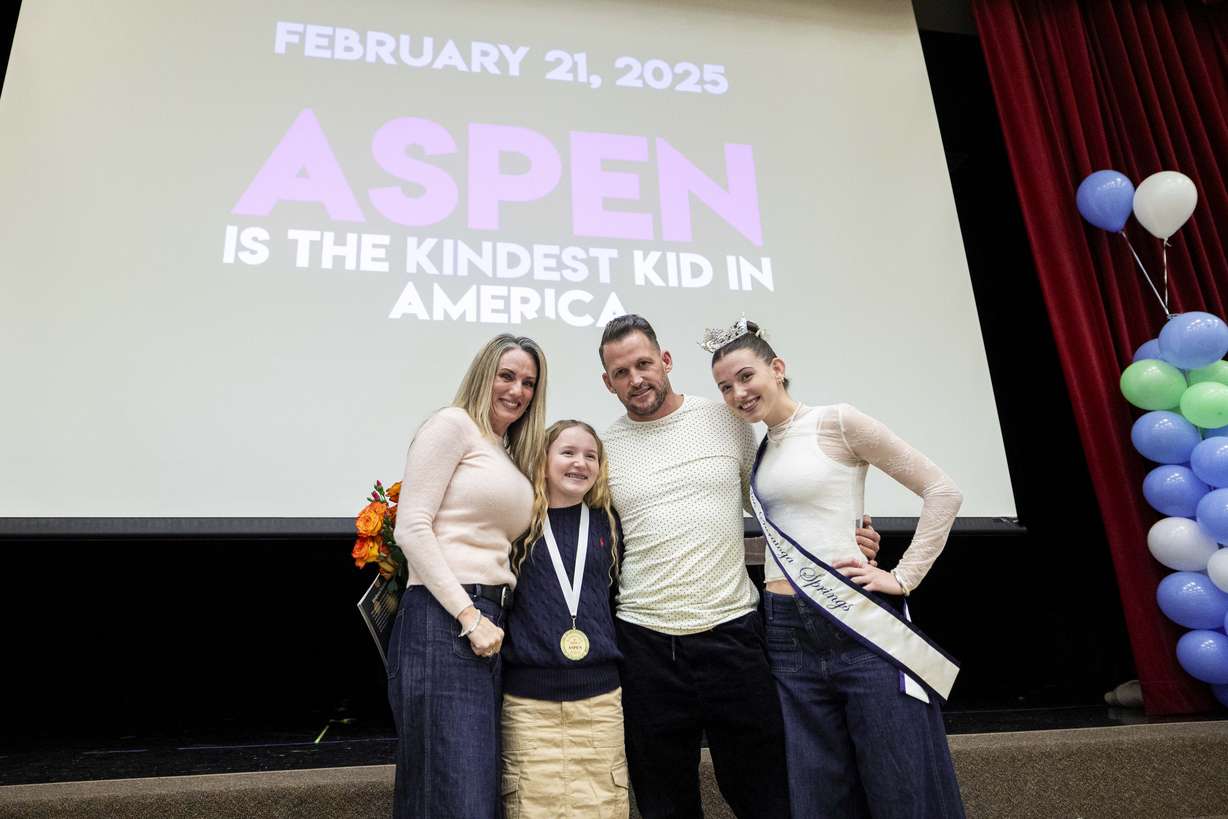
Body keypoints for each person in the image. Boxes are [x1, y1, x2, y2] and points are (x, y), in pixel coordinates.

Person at [596, 314, 881, 819]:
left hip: (733, 634)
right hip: (644, 643)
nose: (635, 379)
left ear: (664, 361)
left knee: (766, 794)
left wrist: (846, 535)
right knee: (663, 801)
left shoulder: (726, 420)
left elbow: (776, 502)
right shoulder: (603, 448)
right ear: (607, 382)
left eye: (643, 364)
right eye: (621, 372)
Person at [707, 317, 965, 819]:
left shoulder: (836, 420)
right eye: (724, 387)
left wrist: (903, 576)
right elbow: (794, 541)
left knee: (901, 786)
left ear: (777, 368)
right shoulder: (761, 452)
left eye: (745, 376)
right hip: (784, 635)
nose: (737, 393)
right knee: (820, 795)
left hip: (855, 623)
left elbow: (943, 491)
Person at [387, 333, 548, 819]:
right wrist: (468, 615)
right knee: (457, 796)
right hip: (445, 621)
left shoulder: (502, 449)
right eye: (507, 375)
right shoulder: (452, 425)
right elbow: (411, 528)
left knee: (465, 792)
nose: (517, 390)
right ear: (483, 374)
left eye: (528, 383)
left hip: (485, 623)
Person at [499, 420, 629, 818]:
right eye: (568, 453)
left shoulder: (608, 522)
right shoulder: (517, 524)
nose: (580, 463)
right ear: (543, 460)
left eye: (591, 456)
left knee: (605, 806)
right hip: (528, 706)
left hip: (600, 703)